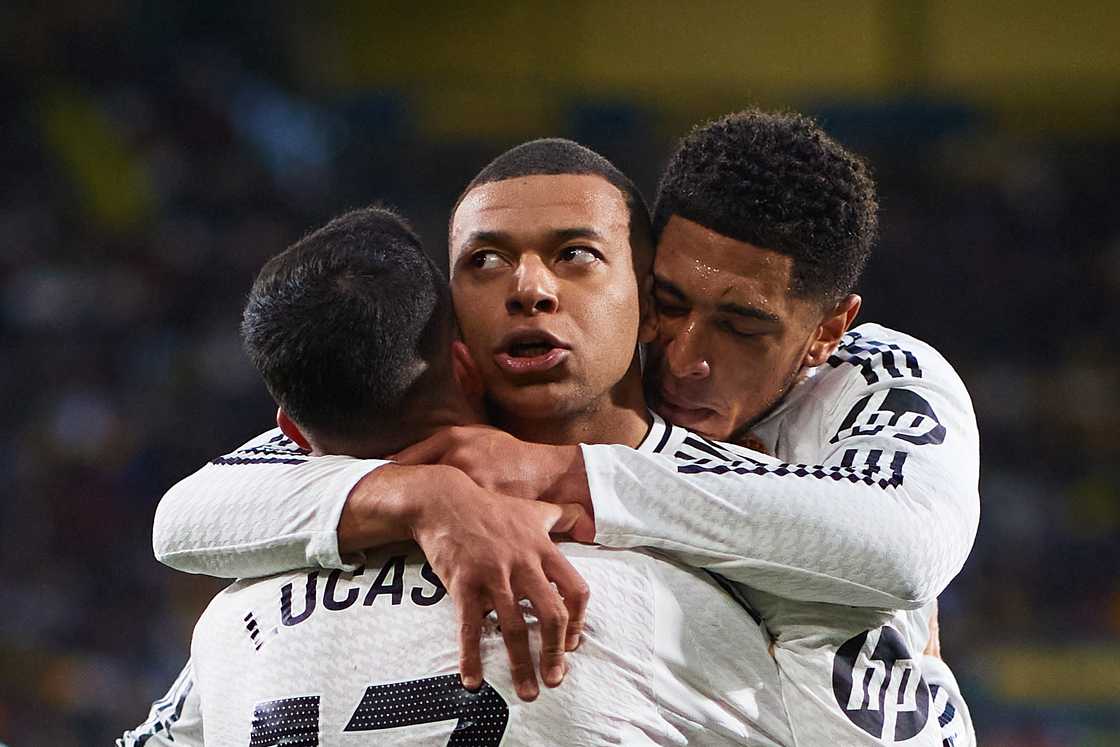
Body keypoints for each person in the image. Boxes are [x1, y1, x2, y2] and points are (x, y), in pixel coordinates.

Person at [132, 119, 977, 744]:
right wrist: (426, 495)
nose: (686, 356)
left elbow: (902, 549)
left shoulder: (862, 391)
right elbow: (188, 515)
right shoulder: (400, 452)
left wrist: (563, 471)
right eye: (487, 261)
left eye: (575, 254)